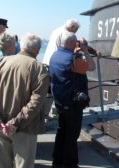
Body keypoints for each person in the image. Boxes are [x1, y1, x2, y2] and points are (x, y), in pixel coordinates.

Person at [0, 33, 49, 168]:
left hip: (0, 125)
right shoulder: (38, 68)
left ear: (22, 46)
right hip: (25, 127)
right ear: (37, 50)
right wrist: (15, 123)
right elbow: (37, 101)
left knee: (1, 164)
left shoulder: (0, 62)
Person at [49, 31, 95, 168]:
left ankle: (57, 162)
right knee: (72, 134)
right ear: (72, 43)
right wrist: (85, 50)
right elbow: (92, 66)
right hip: (72, 104)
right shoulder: (72, 59)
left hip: (60, 101)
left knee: (62, 131)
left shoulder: (55, 55)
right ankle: (70, 164)